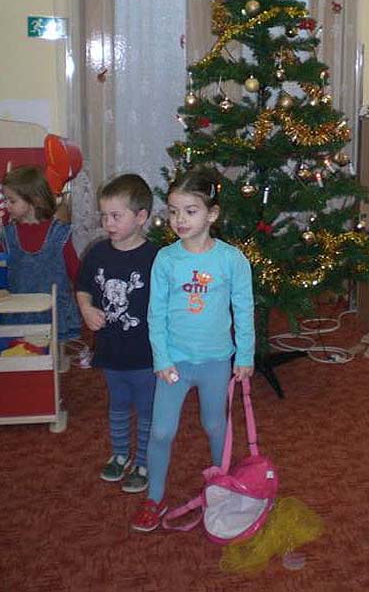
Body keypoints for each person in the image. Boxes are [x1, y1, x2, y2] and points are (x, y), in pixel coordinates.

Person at [131, 167, 255, 532]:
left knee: (215, 425)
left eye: (190, 211)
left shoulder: (232, 260)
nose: (179, 220)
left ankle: (223, 488)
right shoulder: (166, 259)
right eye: (173, 211)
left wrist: (245, 355)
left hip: (216, 361)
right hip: (175, 363)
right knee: (160, 432)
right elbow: (155, 314)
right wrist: (161, 358)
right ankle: (155, 497)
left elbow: (244, 309)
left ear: (212, 214)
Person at [76, 174, 159, 493]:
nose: (107, 223)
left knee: (148, 409)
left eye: (115, 216)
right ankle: (121, 454)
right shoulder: (97, 253)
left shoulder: (156, 258)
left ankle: (144, 461)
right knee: (118, 405)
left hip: (146, 354)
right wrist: (86, 308)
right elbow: (83, 286)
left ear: (141, 217)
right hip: (110, 350)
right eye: (104, 215)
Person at [0, 166, 81, 340]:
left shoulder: (59, 232)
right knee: (22, 350)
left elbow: (76, 271)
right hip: (20, 310)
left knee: (54, 351)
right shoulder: (8, 233)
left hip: (54, 311)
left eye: (12, 201)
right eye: (5, 200)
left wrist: (87, 300)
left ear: (35, 200)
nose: (6, 206)